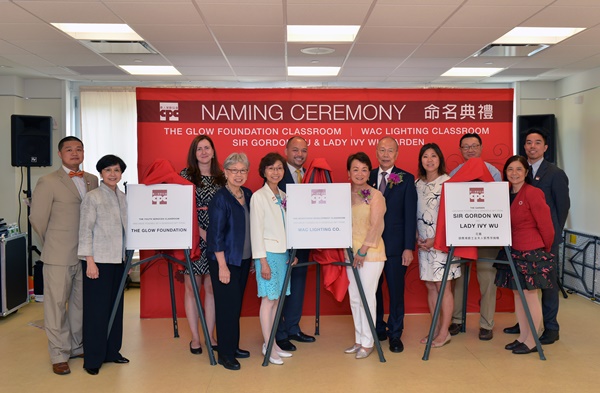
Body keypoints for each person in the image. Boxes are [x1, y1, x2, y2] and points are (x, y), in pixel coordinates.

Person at [30, 136, 99, 375]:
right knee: (56, 305)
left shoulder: (92, 179)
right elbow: (37, 219)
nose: (74, 153)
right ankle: (58, 353)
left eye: (79, 149)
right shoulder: (47, 181)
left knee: (80, 305)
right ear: (60, 154)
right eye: (69, 149)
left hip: (86, 255)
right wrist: (52, 244)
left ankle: (76, 346)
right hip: (58, 254)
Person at [503, 128, 570, 345]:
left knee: (547, 286)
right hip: (520, 243)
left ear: (545, 147)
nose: (533, 146)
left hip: (544, 241)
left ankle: (550, 327)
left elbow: (561, 209)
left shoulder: (555, 173)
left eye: (537, 142)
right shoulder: (515, 176)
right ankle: (527, 327)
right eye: (529, 142)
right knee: (524, 289)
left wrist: (549, 241)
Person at [495, 155, 555, 354]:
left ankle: (532, 340)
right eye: (510, 169)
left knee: (530, 295)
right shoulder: (504, 193)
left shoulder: (533, 193)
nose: (514, 173)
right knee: (518, 295)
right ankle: (523, 336)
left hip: (532, 251)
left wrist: (543, 250)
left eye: (519, 169)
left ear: (526, 172)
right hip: (512, 250)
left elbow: (547, 226)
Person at [78, 155, 129, 375]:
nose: (112, 174)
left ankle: (112, 352)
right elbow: (85, 230)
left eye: (116, 170)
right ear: (100, 173)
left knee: (116, 309)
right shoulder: (93, 197)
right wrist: (89, 260)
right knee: (96, 311)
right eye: (107, 170)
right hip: (97, 262)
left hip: (119, 260)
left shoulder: (124, 197)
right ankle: (93, 359)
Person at [448, 133, 500, 341]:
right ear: (460, 150)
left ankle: (486, 324)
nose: (470, 150)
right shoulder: (455, 173)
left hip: (487, 233)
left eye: (474, 146)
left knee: (487, 277)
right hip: (462, 233)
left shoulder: (494, 172)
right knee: (458, 277)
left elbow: (497, 202)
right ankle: (457, 320)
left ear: (481, 147)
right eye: (466, 147)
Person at [369, 136, 417, 353]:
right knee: (374, 290)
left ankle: (395, 334)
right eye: (382, 150)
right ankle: (378, 328)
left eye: (390, 151)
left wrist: (409, 247)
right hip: (371, 246)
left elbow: (410, 215)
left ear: (396, 154)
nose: (386, 154)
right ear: (376, 152)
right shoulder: (366, 176)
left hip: (397, 247)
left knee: (396, 292)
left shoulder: (406, 179)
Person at [206, 153, 252, 371]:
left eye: (243, 170)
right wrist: (222, 266)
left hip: (243, 260)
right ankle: (225, 354)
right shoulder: (220, 198)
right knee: (226, 308)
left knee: (235, 307)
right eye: (234, 170)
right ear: (225, 172)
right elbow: (215, 236)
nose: (238, 175)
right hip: (225, 262)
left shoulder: (248, 194)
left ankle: (232, 346)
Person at [179, 136, 225, 354]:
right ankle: (195, 338)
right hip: (194, 238)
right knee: (192, 288)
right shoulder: (185, 176)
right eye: (199, 149)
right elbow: (180, 210)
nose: (204, 152)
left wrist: (217, 237)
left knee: (211, 289)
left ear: (214, 152)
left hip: (218, 241)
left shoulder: (222, 177)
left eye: (207, 148)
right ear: (194, 153)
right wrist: (202, 232)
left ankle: (210, 335)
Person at [251, 152, 297, 365]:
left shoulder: (285, 196)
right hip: (268, 255)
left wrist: (292, 253)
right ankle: (268, 346)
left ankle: (274, 344)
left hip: (283, 255)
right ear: (263, 171)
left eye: (279, 168)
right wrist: (262, 261)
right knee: (268, 301)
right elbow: (256, 231)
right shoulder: (258, 197)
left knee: (277, 301)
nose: (275, 172)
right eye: (271, 168)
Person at [415, 143, 460, 348]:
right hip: (423, 245)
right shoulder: (417, 183)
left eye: (434, 156)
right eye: (426, 156)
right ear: (421, 160)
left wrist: (436, 240)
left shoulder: (448, 183)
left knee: (444, 286)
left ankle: (445, 332)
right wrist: (417, 237)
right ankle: (434, 329)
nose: (430, 160)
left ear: (440, 159)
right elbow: (413, 214)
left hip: (442, 243)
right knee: (430, 285)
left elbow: (452, 216)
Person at [275, 136, 315, 351]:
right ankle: (279, 333)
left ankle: (292, 328)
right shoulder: (277, 172)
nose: (300, 154)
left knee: (298, 285)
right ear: (286, 150)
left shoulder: (311, 175)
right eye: (295, 150)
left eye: (304, 150)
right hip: (283, 240)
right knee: (282, 287)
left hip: (305, 239)